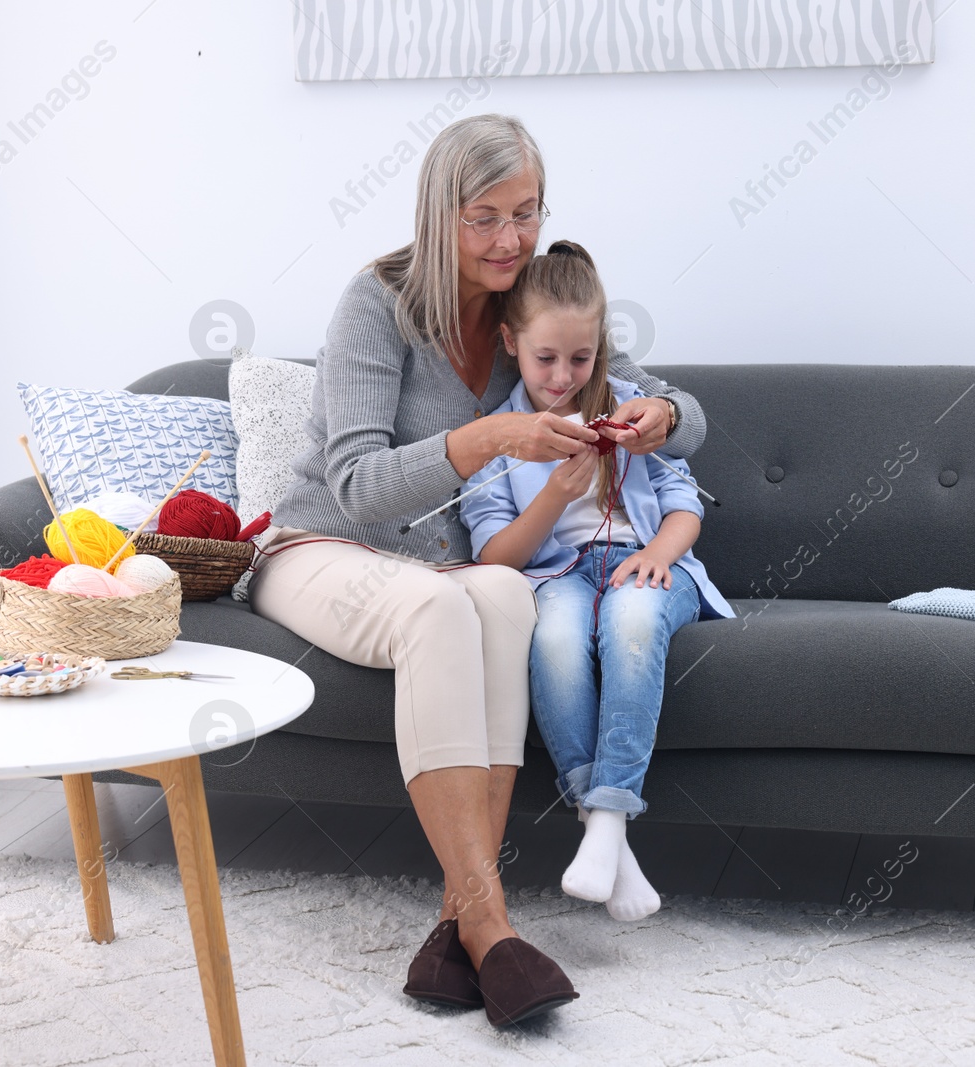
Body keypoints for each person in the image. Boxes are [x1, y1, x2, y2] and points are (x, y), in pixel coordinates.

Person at [248, 114, 711, 1028]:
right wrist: (486, 437)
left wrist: (658, 412)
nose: (510, 239)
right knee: (440, 605)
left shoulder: (526, 301)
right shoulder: (376, 303)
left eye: (527, 213)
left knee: (502, 592)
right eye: (485, 217)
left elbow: (680, 413)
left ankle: (457, 929)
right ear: (438, 215)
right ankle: (489, 921)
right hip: (321, 546)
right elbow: (356, 483)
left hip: (451, 574)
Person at [459, 239, 732, 923]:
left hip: (645, 560)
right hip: (556, 575)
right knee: (552, 640)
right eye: (545, 357)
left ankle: (606, 819)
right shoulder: (495, 435)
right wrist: (553, 494)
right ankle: (609, 836)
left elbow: (685, 502)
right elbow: (496, 556)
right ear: (511, 342)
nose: (562, 375)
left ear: (601, 348)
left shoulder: (635, 408)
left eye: (580, 358)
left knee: (633, 621)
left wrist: (661, 554)